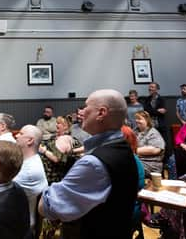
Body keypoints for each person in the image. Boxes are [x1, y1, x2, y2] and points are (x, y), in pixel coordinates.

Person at [39, 89, 138, 239]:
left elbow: (48, 206)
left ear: (101, 113)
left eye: (86, 107)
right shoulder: (122, 147)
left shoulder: (94, 163)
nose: (81, 112)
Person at [13, 125, 48, 231]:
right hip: (20, 220)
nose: (16, 136)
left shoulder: (29, 170)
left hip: (20, 227)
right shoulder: (32, 160)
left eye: (21, 134)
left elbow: (0, 191)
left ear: (29, 140)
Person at [38, 116, 80, 184]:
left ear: (65, 127)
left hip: (54, 176)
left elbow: (57, 158)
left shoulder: (65, 138)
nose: (56, 125)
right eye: (56, 123)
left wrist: (44, 151)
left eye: (59, 123)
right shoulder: (56, 137)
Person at [134, 110, 165, 178]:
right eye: (136, 118)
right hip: (138, 161)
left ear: (147, 120)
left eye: (139, 119)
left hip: (150, 164)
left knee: (128, 168)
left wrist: (133, 150)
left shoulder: (153, 132)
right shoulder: (135, 131)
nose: (136, 120)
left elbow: (155, 150)